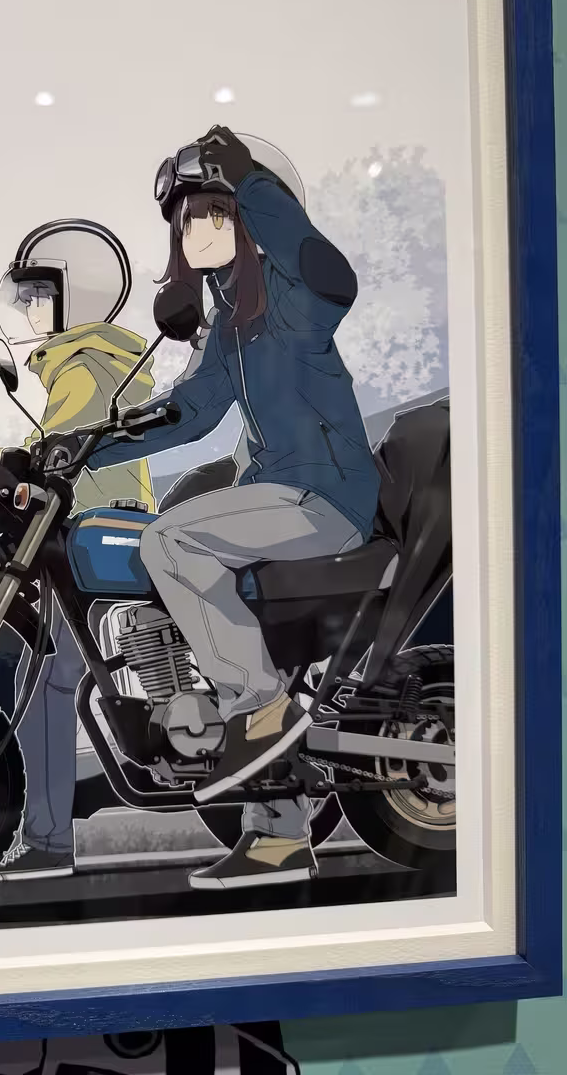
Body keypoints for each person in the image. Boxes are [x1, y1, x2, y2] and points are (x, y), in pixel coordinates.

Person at [80, 127, 380, 890]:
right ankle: (279, 840)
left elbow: (334, 276)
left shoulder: (297, 299)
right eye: (187, 220)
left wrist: (249, 180)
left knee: (173, 542)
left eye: (215, 212)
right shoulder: (231, 326)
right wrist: (81, 448)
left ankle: (262, 707)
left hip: (327, 494)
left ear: (252, 215)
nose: (199, 230)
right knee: (197, 591)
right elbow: (190, 411)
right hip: (280, 496)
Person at [0, 220, 156, 879]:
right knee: (52, 679)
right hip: (73, 533)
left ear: (76, 294)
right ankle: (49, 836)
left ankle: (51, 841)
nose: (27, 310)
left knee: (52, 683)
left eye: (37, 295)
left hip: (92, 535)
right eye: (24, 297)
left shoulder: (87, 365)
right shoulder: (83, 364)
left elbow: (46, 453)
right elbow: (44, 448)